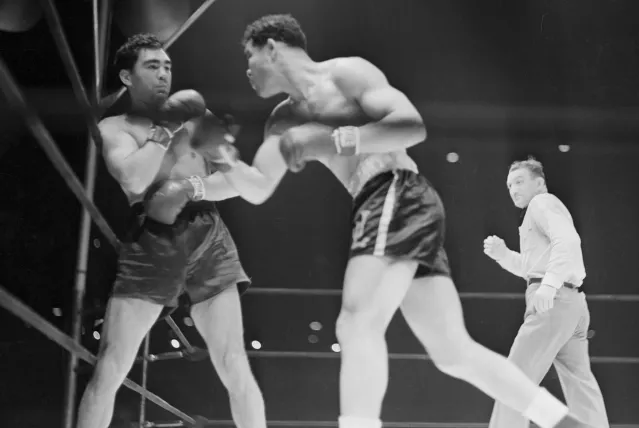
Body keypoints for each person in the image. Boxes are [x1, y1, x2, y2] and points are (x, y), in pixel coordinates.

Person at [197, 14, 585, 428]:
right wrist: (216, 164)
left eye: (250, 57)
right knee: (453, 351)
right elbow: (256, 187)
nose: (247, 70)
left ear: (271, 47)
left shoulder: (347, 74)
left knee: (357, 321)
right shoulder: (282, 121)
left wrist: (338, 139)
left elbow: (412, 126)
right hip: (385, 204)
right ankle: (562, 422)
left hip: (395, 189)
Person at [76, 33, 266, 428]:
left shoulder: (197, 117)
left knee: (234, 362)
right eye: (152, 66)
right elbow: (133, 181)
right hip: (155, 237)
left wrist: (192, 186)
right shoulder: (116, 127)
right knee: (111, 365)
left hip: (208, 232)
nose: (164, 74)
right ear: (127, 77)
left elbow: (237, 183)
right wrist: (164, 130)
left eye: (167, 66)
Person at [483, 157, 610, 428]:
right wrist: (504, 255)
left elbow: (568, 241)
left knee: (514, 377)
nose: (513, 189)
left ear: (539, 183)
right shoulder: (540, 209)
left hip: (553, 300)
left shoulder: (542, 203)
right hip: (571, 302)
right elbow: (534, 267)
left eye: (519, 181)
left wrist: (549, 286)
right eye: (509, 185)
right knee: (580, 382)